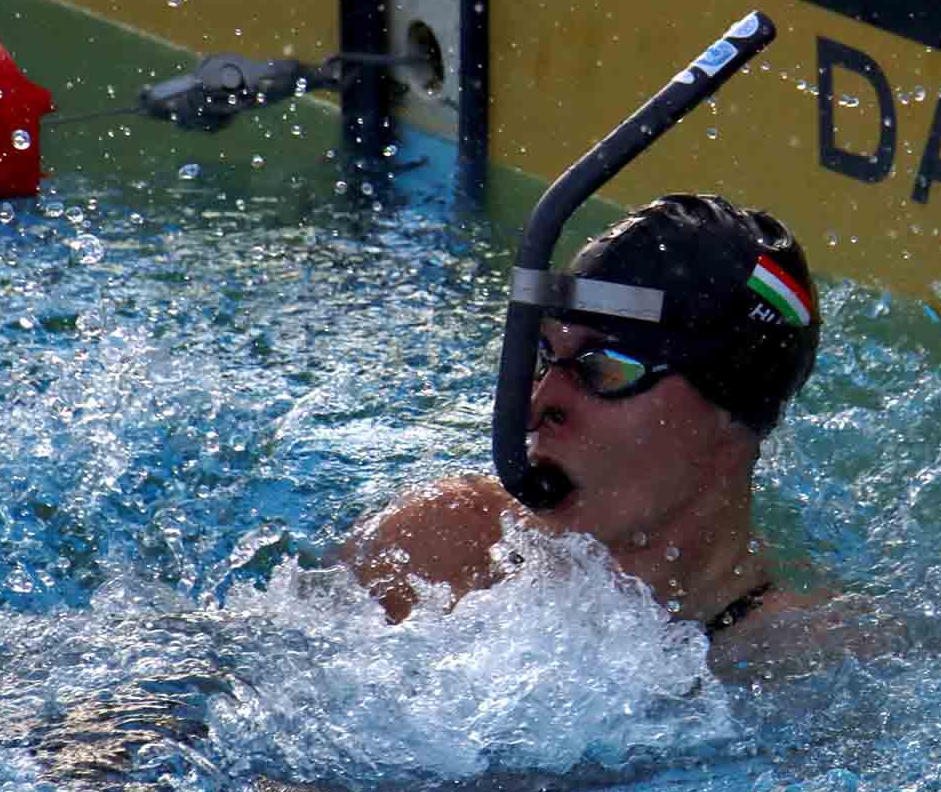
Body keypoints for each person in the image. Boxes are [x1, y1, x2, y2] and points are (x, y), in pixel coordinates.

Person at [343, 194, 843, 676]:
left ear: (732, 408)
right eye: (543, 357)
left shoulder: (808, 659)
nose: (537, 409)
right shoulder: (437, 547)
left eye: (602, 369)